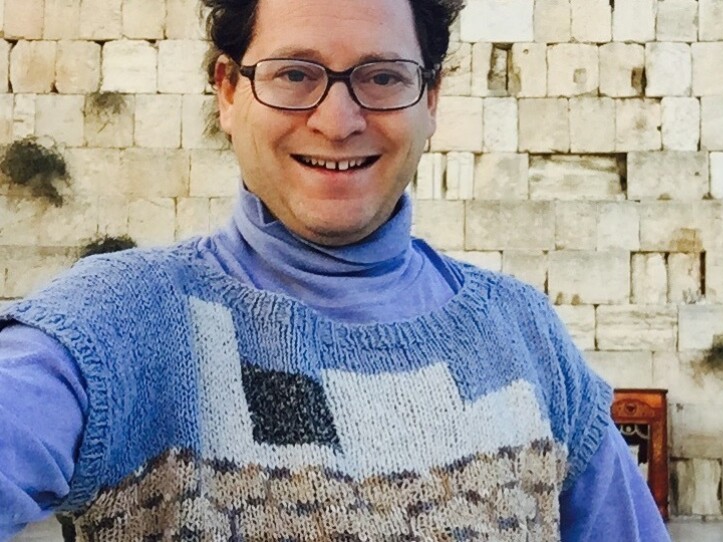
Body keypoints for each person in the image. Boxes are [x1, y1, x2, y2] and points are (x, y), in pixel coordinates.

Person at [0, 0, 670, 540]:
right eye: (295, 74)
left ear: (430, 97)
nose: (338, 120)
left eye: (381, 76)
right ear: (229, 91)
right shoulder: (114, 329)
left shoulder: (526, 337)